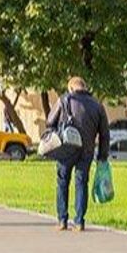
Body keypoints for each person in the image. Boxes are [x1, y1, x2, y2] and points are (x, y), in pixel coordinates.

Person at [44, 77, 109, 232]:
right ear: (85, 87)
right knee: (81, 183)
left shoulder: (63, 100)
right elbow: (104, 133)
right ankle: (79, 221)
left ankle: (62, 220)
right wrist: (102, 156)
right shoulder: (97, 105)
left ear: (71, 88)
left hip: (67, 148)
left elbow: (49, 121)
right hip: (86, 150)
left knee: (62, 182)